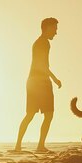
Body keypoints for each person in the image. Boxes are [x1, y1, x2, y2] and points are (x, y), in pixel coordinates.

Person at [14, 17, 62, 153]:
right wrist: (55, 79)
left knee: (30, 114)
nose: (56, 32)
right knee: (48, 115)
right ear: (47, 28)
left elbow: (41, 64)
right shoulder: (44, 43)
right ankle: (40, 146)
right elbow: (42, 65)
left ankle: (18, 146)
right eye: (55, 28)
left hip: (32, 81)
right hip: (41, 82)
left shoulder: (38, 42)